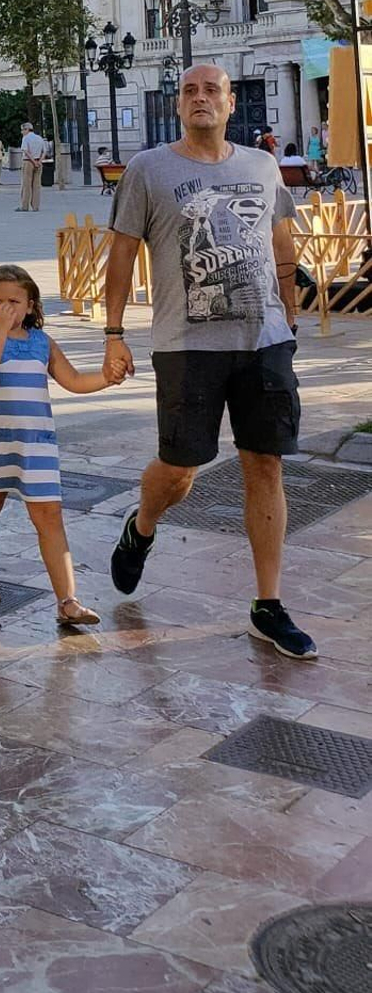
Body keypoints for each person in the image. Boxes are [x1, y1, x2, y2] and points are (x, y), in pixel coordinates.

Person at [102, 62, 316, 660]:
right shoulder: (149, 169)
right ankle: (142, 525)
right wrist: (114, 333)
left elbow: (281, 240)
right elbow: (121, 256)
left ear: (229, 104)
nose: (201, 99)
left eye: (212, 91)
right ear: (178, 106)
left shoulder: (261, 165)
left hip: (264, 341)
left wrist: (289, 311)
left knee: (265, 466)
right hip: (185, 346)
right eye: (190, 91)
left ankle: (267, 605)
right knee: (180, 473)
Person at [0, 265, 122, 629]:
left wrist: (106, 378)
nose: (4, 307)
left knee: (49, 517)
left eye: (13, 301)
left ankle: (68, 600)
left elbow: (74, 380)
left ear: (31, 306)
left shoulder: (41, 342)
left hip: (37, 447)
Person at [17, 121, 46, 212]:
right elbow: (44, 151)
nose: (22, 132)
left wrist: (33, 161)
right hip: (38, 162)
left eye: (22, 130)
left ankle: (24, 206)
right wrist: (39, 161)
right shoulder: (39, 138)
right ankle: (35, 206)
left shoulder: (26, 138)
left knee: (26, 185)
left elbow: (26, 151)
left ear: (27, 129)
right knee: (36, 185)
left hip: (28, 162)